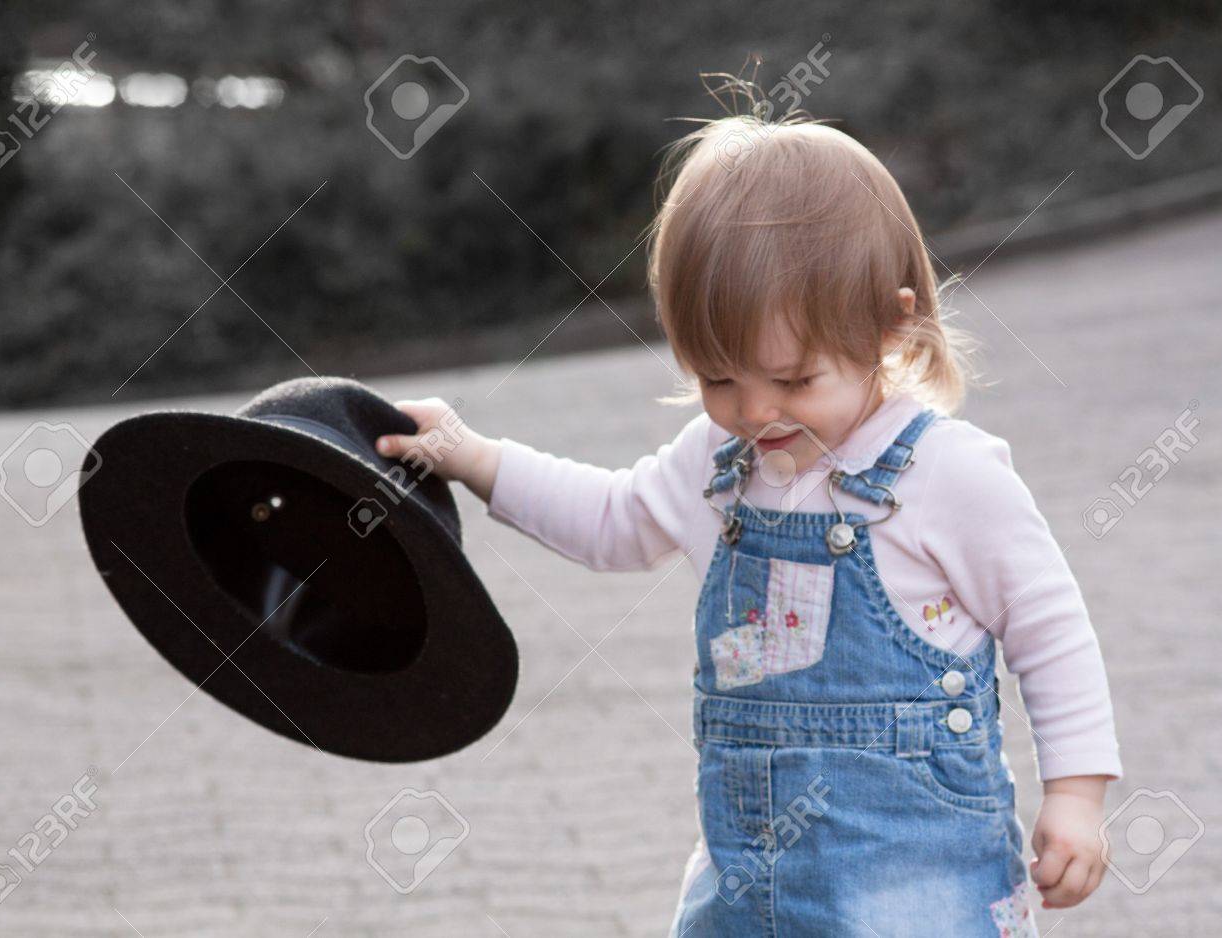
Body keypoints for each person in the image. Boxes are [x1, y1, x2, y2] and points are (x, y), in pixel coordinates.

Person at [373, 112, 1121, 936]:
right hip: (749, 897)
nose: (756, 412)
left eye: (794, 381)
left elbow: (1049, 628)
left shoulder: (948, 474)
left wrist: (1076, 794)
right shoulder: (717, 465)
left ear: (890, 325)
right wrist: (475, 457)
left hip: (916, 893)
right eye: (718, 379)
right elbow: (612, 518)